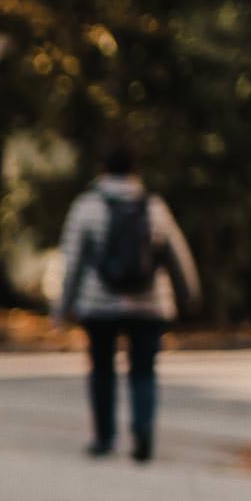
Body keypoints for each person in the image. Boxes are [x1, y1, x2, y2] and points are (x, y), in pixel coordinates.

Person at [57, 148, 201, 461]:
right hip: (149, 304)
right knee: (144, 371)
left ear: (103, 169)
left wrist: (62, 307)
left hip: (98, 303)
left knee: (102, 370)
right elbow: (177, 253)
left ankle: (104, 437)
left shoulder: (87, 206)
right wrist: (190, 294)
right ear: (135, 170)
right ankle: (143, 430)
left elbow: (72, 262)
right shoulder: (153, 206)